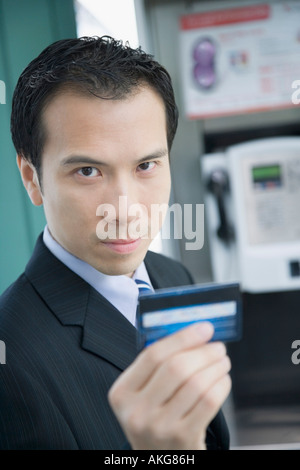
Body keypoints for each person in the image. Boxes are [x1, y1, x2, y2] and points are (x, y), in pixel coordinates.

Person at [0, 36, 231, 450]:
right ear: (32, 178)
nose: (126, 211)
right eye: (88, 171)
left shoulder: (170, 275)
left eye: (146, 165)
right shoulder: (9, 359)